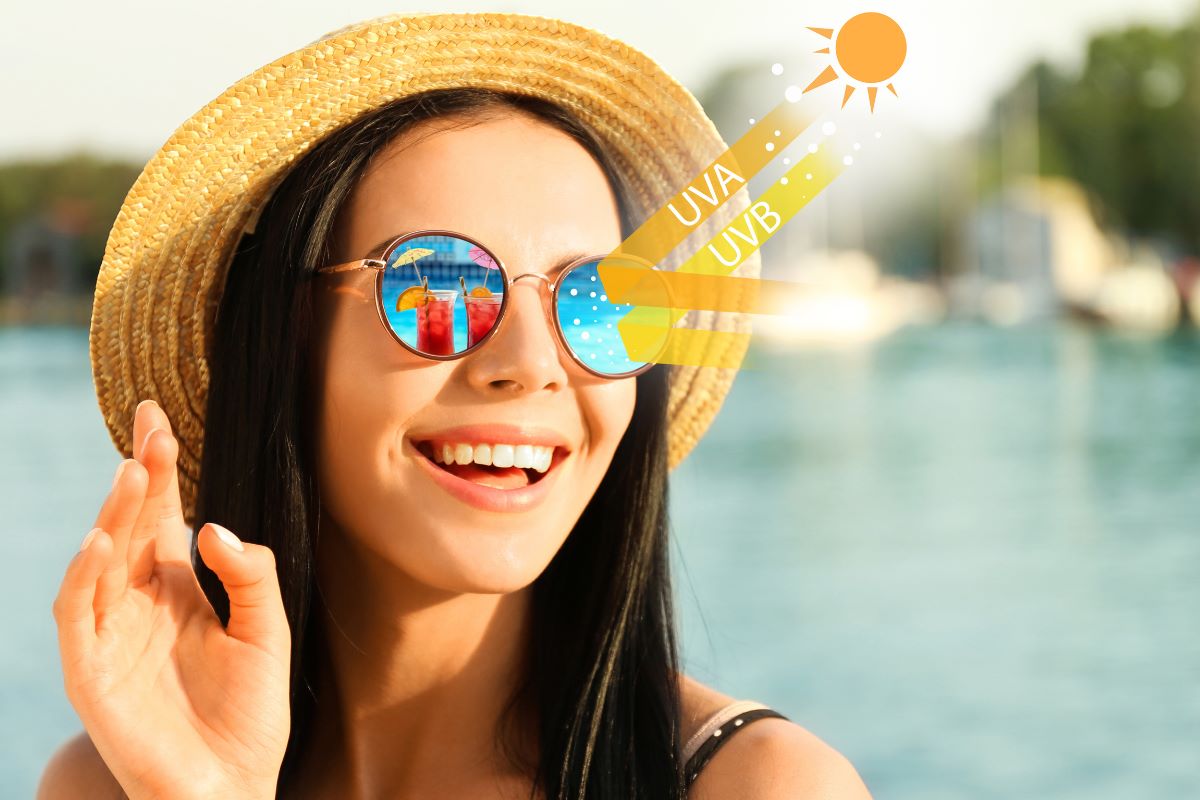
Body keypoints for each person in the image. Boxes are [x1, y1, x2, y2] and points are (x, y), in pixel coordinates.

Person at [39, 12, 873, 800]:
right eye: (438, 283)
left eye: (602, 303)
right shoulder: (120, 777)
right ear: (286, 340)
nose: (532, 364)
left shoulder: (761, 786)